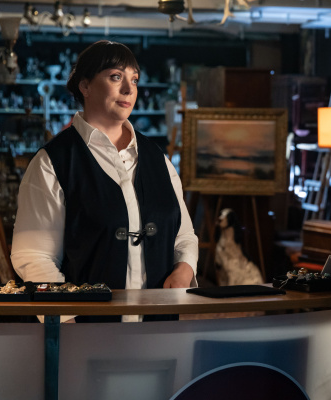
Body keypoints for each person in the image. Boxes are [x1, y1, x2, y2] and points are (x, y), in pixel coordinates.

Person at [11, 40, 198, 323]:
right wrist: (68, 320)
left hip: (158, 329)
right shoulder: (53, 162)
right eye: (116, 77)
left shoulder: (158, 159)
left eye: (134, 80)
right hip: (87, 331)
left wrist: (185, 267)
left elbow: (184, 235)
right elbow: (33, 255)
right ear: (85, 86)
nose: (129, 89)